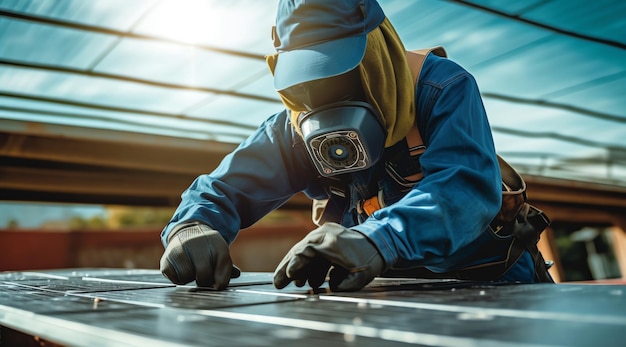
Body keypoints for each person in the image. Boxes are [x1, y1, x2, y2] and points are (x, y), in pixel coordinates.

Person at [159, 0, 552, 291]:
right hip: (388, 290)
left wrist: (378, 237)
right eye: (304, 78)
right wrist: (193, 225)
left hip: (495, 285)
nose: (320, 95)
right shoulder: (294, 127)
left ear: (377, 48)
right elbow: (225, 187)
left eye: (337, 70)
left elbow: (464, 189)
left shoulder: (442, 89)